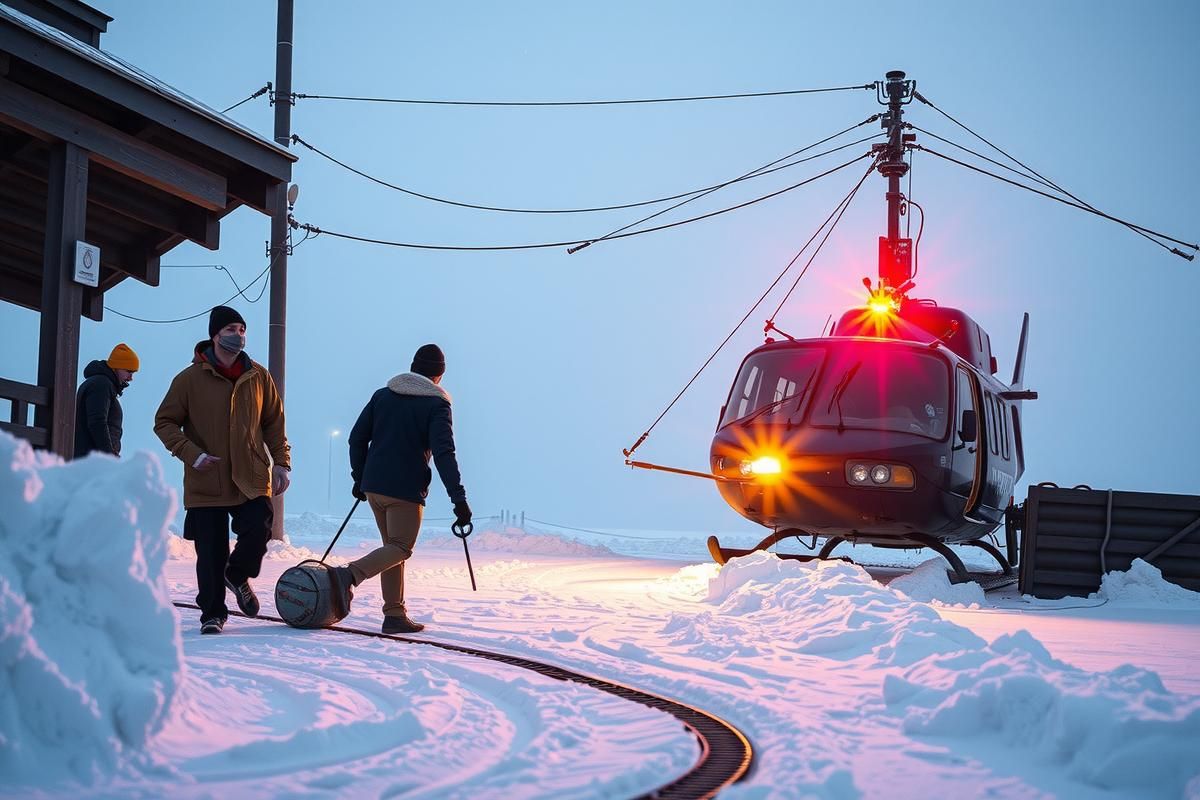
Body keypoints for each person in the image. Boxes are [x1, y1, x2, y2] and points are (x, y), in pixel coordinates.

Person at [154, 306, 292, 635]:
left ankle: (237, 573)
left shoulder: (259, 376)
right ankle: (212, 614)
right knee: (211, 552)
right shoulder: (188, 379)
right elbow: (165, 422)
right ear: (215, 336)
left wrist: (282, 462)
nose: (239, 335)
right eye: (232, 329)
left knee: (259, 532)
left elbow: (273, 423)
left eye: (243, 329)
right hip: (207, 478)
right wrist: (192, 454)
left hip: (251, 476)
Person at [331, 343, 471, 634]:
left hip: (374, 488)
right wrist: (459, 499)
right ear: (439, 376)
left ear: (413, 367)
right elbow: (444, 454)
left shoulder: (382, 396)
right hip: (405, 490)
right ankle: (348, 576)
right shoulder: (437, 404)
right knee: (400, 547)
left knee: (391, 548)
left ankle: (394, 614)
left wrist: (360, 478)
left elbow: (356, 439)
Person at [74, 343, 139, 458]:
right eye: (129, 371)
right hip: (91, 461)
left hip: (90, 458)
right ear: (117, 366)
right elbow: (97, 422)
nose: (131, 378)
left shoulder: (100, 384)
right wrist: (109, 456)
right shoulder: (101, 385)